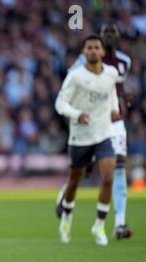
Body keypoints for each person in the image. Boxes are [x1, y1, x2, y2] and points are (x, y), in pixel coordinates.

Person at [68, 23, 133, 239]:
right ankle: (64, 204)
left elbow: (117, 89)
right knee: (79, 171)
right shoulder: (85, 60)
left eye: (113, 34)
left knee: (118, 168)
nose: (109, 37)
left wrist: (124, 99)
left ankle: (120, 224)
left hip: (114, 121)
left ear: (118, 36)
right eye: (106, 34)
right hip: (89, 122)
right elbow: (72, 81)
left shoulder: (124, 62)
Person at [55, 35, 120, 246]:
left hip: (104, 133)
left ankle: (99, 225)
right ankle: (66, 217)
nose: (93, 51)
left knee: (109, 178)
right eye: (89, 48)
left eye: (96, 47)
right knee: (75, 181)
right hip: (80, 136)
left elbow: (111, 94)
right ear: (84, 52)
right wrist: (77, 114)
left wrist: (115, 110)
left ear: (102, 52)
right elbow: (60, 104)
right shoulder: (75, 76)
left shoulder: (111, 73)